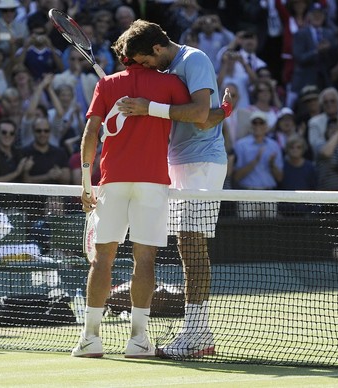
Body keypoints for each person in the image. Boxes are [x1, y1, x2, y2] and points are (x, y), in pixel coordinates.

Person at [117, 19, 231, 358]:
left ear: (156, 48)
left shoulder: (194, 59)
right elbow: (208, 115)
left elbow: (199, 114)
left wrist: (147, 107)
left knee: (192, 245)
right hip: (177, 163)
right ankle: (200, 333)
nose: (144, 68)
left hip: (203, 163)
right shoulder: (164, 71)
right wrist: (223, 111)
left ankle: (196, 334)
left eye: (144, 61)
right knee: (186, 245)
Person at [71, 39, 191, 359]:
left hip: (113, 182)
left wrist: (86, 183)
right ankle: (138, 339)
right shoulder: (170, 83)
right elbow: (197, 115)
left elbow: (90, 134)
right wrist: (223, 110)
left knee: (102, 259)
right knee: (145, 260)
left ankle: (90, 338)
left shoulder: (107, 84)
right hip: (152, 183)